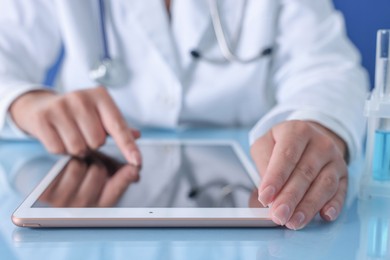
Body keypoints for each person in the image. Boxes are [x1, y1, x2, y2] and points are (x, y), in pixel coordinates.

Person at [0, 0, 368, 230]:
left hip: (254, 183)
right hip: (93, 164)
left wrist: (319, 125)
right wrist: (24, 101)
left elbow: (327, 67)